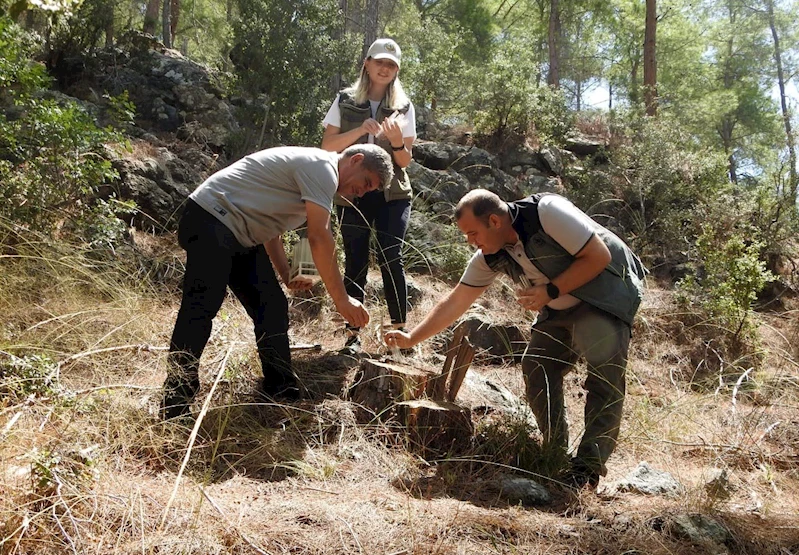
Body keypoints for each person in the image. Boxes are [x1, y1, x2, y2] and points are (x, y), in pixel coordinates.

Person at [385, 189, 646, 489]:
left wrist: (548, 292)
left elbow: (599, 256)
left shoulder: (548, 213)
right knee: (537, 367)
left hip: (606, 296)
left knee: (604, 382)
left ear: (494, 221)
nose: (470, 241)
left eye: (472, 233)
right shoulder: (489, 256)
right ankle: (555, 453)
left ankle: (586, 469)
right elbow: (456, 301)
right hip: (559, 307)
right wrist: (411, 338)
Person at [161, 144, 394, 420]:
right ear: (356, 160)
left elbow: (272, 230)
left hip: (239, 232)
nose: (362, 192)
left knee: (271, 305)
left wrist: (285, 274)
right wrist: (341, 300)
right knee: (201, 305)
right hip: (210, 218)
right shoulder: (323, 168)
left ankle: (280, 389)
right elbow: (320, 237)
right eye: (366, 183)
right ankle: (175, 403)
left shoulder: (320, 181)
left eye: (369, 190)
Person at [321, 38, 417, 354]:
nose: (385, 68)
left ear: (397, 70)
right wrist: (359, 130)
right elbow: (327, 146)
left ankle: (399, 335)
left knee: (392, 256)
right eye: (380, 62)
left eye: (391, 65)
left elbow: (404, 162)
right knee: (356, 258)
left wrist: (396, 141)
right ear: (367, 63)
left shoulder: (404, 106)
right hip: (352, 191)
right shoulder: (345, 100)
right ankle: (353, 335)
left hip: (393, 194)